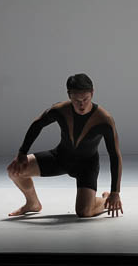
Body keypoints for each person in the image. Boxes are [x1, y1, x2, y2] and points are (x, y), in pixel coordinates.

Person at [7, 73, 123, 218]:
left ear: (92, 93)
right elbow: (37, 125)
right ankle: (32, 203)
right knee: (14, 170)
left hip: (86, 166)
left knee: (84, 212)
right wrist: (22, 153)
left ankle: (105, 200)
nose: (81, 105)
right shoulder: (60, 110)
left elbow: (115, 155)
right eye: (77, 100)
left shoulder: (104, 119)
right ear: (69, 95)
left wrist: (115, 192)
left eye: (85, 99)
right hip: (60, 158)